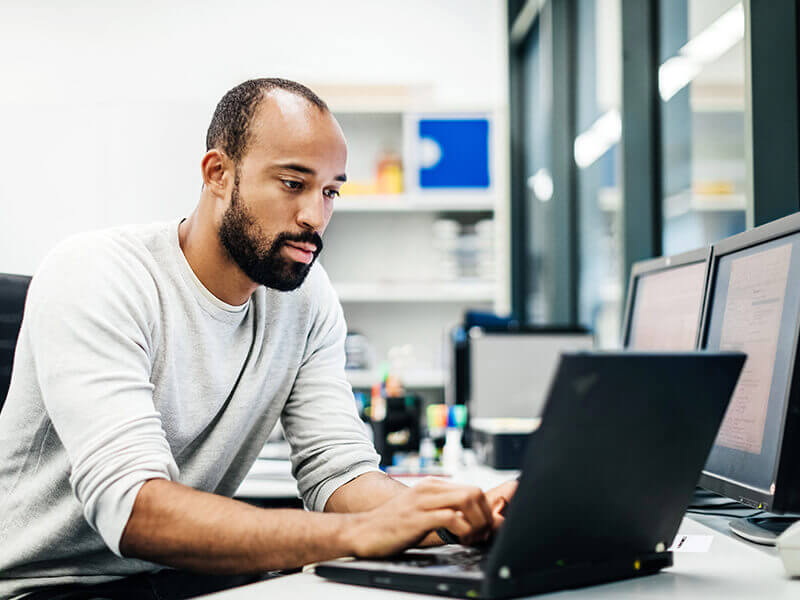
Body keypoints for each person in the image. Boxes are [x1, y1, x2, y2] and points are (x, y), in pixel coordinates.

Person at [0, 78, 517, 599]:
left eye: (330, 191)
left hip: (177, 579)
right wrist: (361, 533)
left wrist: (458, 516)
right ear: (218, 174)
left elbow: (338, 474)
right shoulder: (97, 274)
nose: (316, 217)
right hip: (47, 586)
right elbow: (132, 510)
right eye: (294, 183)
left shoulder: (306, 298)